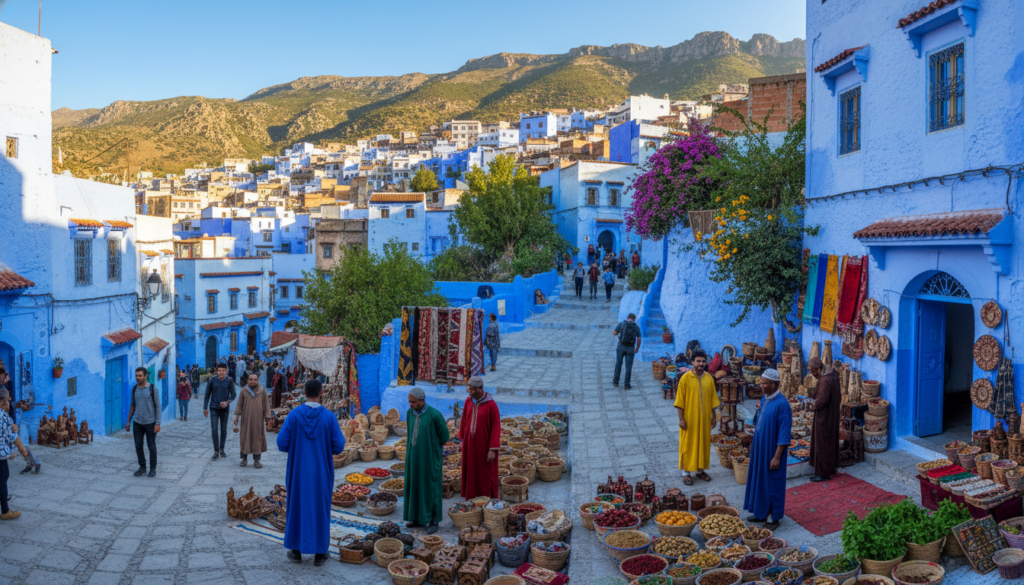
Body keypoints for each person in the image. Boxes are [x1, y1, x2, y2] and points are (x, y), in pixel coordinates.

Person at [277, 379, 344, 566]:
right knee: (320, 508)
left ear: (304, 391)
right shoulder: (329, 417)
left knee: (297, 506)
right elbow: (338, 446)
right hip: (321, 472)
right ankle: (321, 553)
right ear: (321, 392)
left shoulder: (294, 415)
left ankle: (296, 551)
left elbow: (282, 443)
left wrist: (298, 444)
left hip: (298, 472)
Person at [743, 369, 792, 530]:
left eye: (764, 383)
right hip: (760, 449)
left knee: (772, 483)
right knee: (760, 480)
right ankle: (760, 512)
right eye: (761, 382)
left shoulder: (783, 404)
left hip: (772, 451)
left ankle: (772, 518)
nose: (761, 386)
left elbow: (784, 435)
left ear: (774, 384)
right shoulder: (765, 399)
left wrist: (777, 457)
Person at [403, 387, 449, 535]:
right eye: (410, 402)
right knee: (415, 485)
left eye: (414, 402)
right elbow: (411, 434)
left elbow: (444, 436)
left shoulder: (434, 415)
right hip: (413, 458)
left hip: (429, 458)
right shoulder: (410, 413)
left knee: (431, 487)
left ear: (422, 401)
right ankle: (415, 518)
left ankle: (433, 521)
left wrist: (432, 447)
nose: (411, 405)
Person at [674, 350, 720, 486]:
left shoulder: (709, 379)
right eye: (698, 361)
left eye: (703, 361)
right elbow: (679, 402)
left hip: (705, 419)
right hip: (689, 419)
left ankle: (700, 470)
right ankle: (686, 473)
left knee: (703, 444)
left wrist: (713, 417)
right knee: (688, 444)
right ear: (692, 362)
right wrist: (681, 419)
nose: (701, 364)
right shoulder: (685, 379)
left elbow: (713, 400)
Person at [459, 377, 500, 499]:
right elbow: (464, 421)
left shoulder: (491, 406)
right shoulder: (468, 402)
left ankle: (485, 496)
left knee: (484, 473)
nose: (469, 391)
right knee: (470, 470)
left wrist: (492, 449)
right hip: (470, 445)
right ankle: (471, 495)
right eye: (468, 388)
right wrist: (462, 441)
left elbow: (496, 428)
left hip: (484, 447)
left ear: (480, 389)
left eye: (471, 389)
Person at [1, 369, 40, 475]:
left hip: (20, 418)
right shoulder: (5, 387)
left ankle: (33, 463)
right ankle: (31, 463)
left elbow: (27, 403)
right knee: (22, 444)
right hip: (14, 419)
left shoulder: (26, 387)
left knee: (23, 444)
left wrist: (21, 405)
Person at [808, 357, 840, 482]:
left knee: (822, 442)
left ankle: (822, 472)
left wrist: (813, 404)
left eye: (814, 372)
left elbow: (821, 401)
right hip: (832, 415)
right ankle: (831, 468)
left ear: (819, 369)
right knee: (830, 441)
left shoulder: (825, 381)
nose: (813, 374)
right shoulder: (833, 376)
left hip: (824, 417)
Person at [126, 367, 161, 478]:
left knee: (151, 446)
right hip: (137, 423)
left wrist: (157, 423)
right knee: (138, 445)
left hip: (150, 423)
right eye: (136, 375)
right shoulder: (134, 389)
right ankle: (142, 467)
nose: (138, 378)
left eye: (140, 375)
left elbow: (158, 406)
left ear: (146, 376)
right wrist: (128, 421)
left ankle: (153, 468)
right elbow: (132, 405)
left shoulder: (152, 388)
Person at [236, 372, 271, 468]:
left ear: (257, 381)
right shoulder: (244, 390)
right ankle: (244, 459)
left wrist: (267, 417)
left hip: (258, 420)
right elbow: (239, 405)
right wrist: (236, 417)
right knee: (245, 438)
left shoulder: (262, 391)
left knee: (257, 439)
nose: (253, 381)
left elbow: (266, 405)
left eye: (255, 380)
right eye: (251, 379)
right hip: (246, 420)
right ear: (247, 380)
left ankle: (256, 460)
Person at [0, 387, 24, 519]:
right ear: (3, 401)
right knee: (2, 479)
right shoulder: (3, 417)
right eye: (8, 400)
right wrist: (23, 451)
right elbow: (13, 436)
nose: (9, 403)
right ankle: (5, 511)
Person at [204, 363, 237, 460]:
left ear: (226, 371)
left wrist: (227, 401)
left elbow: (233, 394)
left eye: (223, 370)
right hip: (214, 408)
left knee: (223, 429)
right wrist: (205, 407)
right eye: (219, 370)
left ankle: (222, 448)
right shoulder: (212, 380)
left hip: (224, 409)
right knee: (214, 429)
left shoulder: (229, 381)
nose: (221, 372)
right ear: (216, 371)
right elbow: (207, 394)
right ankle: (216, 450)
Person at [612, 313, 642, 389]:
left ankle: (616, 382)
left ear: (627, 317)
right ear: (634, 319)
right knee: (628, 366)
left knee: (618, 364)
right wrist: (637, 348)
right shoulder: (636, 327)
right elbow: (639, 339)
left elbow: (614, 333)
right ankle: (627, 384)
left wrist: (618, 333)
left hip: (621, 347)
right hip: (630, 348)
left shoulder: (622, 324)